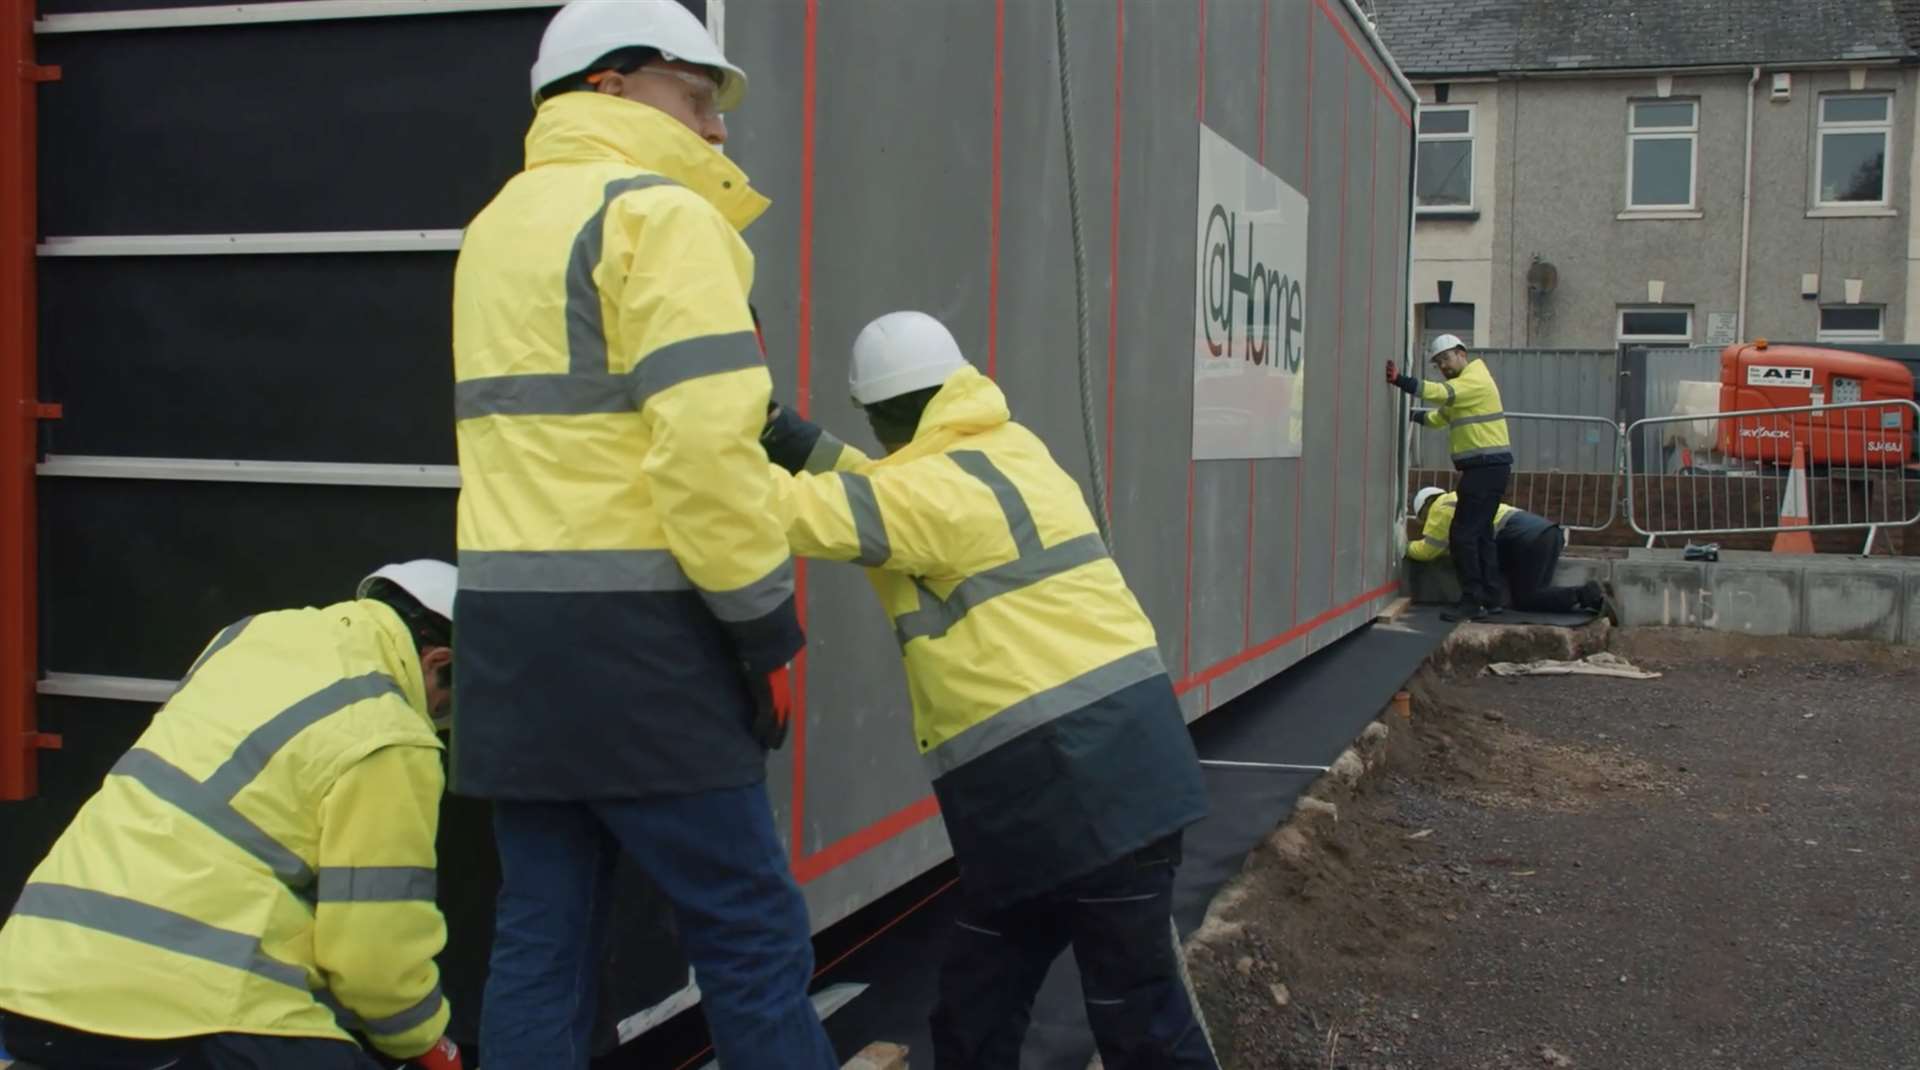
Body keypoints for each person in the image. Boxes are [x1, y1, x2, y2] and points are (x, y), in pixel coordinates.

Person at [449, 3, 833, 1068]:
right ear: (608, 87)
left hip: (509, 649)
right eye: (696, 97)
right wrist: (765, 629)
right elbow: (707, 454)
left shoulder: (496, 227)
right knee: (752, 933)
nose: (715, 131)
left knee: (544, 933)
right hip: (647, 646)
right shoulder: (658, 216)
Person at [759, 311, 1218, 1070]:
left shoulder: (930, 494)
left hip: (1076, 788)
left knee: (1134, 1024)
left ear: (880, 415)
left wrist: (688, 449)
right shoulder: (1008, 450)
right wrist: (784, 435)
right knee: (984, 1011)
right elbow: (886, 490)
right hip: (1087, 787)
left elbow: (797, 512)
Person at [0, 562, 465, 1070]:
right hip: (187, 1010)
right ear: (437, 660)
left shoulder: (250, 636)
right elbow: (373, 958)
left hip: (30, 983)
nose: (438, 721)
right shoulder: (392, 734)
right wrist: (425, 1041)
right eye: (447, 704)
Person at [1386, 333, 1512, 621]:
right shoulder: (1466, 387)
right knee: (1481, 536)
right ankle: (1491, 598)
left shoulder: (1473, 381)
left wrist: (1400, 381)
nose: (1443, 366)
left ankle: (1471, 601)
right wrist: (1412, 417)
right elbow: (1438, 418)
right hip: (1490, 469)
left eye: (1446, 359)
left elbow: (1440, 394)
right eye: (1438, 363)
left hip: (1484, 469)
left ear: (1461, 353)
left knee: (1462, 535)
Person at [1409, 486, 1616, 620]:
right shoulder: (1461, 498)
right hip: (1546, 532)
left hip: (1527, 539)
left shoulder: (1440, 508)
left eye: (1423, 518)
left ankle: (1588, 593)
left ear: (1425, 508)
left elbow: (1428, 551)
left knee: (1527, 598)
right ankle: (1594, 597)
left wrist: (1403, 547)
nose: (1426, 523)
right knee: (1527, 588)